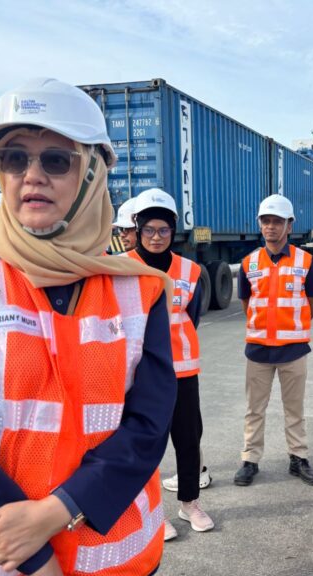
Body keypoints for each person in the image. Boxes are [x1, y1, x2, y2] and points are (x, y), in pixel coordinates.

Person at [0, 77, 177, 576]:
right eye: (14, 158)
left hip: (102, 562)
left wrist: (59, 511)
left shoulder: (141, 291)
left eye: (56, 160)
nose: (32, 175)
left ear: (92, 174)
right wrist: (37, 563)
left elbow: (148, 426)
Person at [126, 188, 214, 540]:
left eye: (163, 230)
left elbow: (192, 316)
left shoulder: (190, 270)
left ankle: (189, 503)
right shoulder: (121, 267)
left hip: (181, 371)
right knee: (145, 443)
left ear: (173, 231)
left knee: (188, 439)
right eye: (149, 229)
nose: (156, 237)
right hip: (138, 374)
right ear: (138, 229)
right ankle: (151, 513)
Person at [234, 194, 313, 487]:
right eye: (266, 221)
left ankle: (298, 458)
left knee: (294, 409)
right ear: (260, 224)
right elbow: (247, 304)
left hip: (293, 351)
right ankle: (250, 460)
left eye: (277, 221)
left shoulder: (307, 262)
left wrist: (289, 329)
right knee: (254, 410)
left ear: (289, 225)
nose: (270, 226)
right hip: (258, 351)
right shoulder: (248, 263)